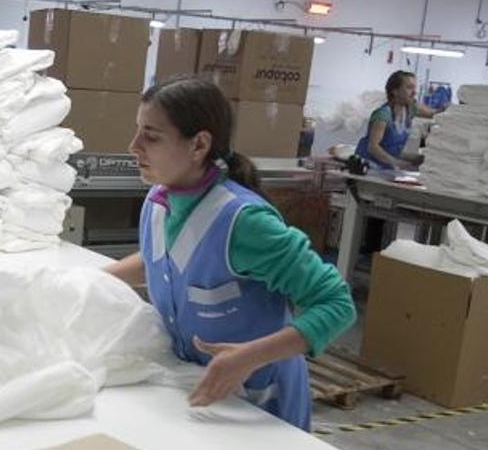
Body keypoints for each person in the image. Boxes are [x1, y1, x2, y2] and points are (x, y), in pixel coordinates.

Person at [105, 77, 355, 431]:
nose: (134, 146)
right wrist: (92, 281)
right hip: (198, 391)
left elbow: (336, 303)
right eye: (137, 131)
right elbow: (164, 262)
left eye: (151, 136)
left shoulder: (243, 222)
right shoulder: (160, 201)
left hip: (262, 403)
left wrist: (249, 357)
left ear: (199, 145)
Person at [354, 70, 441, 170]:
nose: (414, 92)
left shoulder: (410, 109)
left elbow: (436, 114)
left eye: (414, 88)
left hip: (386, 165)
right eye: (409, 88)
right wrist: (397, 163)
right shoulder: (383, 114)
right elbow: (373, 148)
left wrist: (456, 111)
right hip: (367, 165)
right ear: (394, 91)